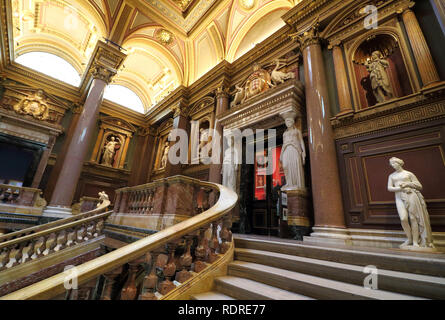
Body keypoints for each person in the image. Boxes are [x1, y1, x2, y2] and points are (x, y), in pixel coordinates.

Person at [387, 157, 434, 248]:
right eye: (391, 164)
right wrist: (400, 188)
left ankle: (415, 241)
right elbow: (389, 188)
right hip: (399, 197)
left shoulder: (408, 174)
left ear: (399, 163)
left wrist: (408, 184)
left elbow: (419, 186)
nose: (392, 165)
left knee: (413, 218)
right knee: (403, 218)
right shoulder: (391, 176)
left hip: (411, 196)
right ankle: (409, 239)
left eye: (393, 163)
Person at [280, 112, 306, 191]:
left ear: (292, 122)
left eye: (289, 121)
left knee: (294, 165)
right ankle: (289, 183)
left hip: (294, 149)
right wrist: (281, 154)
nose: (287, 123)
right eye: (286, 122)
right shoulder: (284, 133)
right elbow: (283, 144)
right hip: (286, 150)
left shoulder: (297, 131)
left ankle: (295, 184)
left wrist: (304, 152)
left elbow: (301, 141)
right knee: (285, 165)